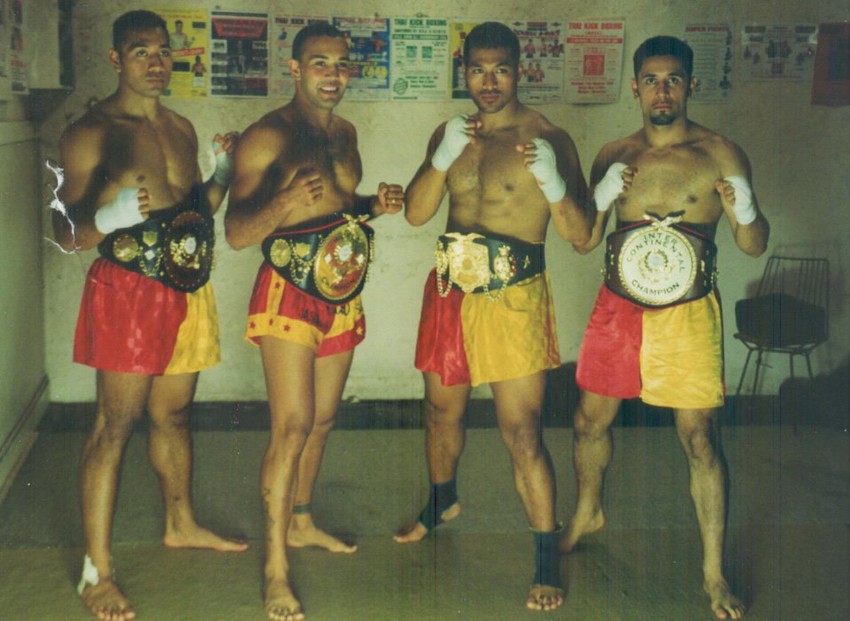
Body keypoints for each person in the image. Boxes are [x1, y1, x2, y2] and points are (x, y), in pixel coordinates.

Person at [50, 9, 248, 621]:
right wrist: (105, 222)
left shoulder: (183, 128)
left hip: (187, 289)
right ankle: (96, 572)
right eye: (142, 51)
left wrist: (220, 176)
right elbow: (60, 231)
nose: (157, 62)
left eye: (164, 51)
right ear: (116, 59)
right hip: (128, 290)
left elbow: (194, 211)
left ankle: (180, 523)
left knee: (174, 414)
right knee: (114, 427)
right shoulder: (92, 133)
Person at [563, 36, 769, 621]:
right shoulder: (614, 153)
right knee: (587, 421)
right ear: (634, 86)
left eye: (673, 79)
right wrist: (601, 198)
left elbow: (754, 247)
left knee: (700, 439)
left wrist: (744, 210)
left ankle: (713, 574)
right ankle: (587, 509)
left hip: (688, 312)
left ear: (690, 85)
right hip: (618, 307)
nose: (662, 90)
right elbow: (582, 240)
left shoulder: (720, 153)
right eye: (651, 80)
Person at [394, 21, 590, 613]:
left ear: (520, 69)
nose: (489, 81)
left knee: (522, 432)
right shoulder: (450, 132)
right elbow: (416, 213)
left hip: (514, 296)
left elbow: (581, 236)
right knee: (439, 411)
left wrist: (554, 182)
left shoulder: (549, 136)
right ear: (464, 70)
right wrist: (442, 156)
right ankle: (441, 500)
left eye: (500, 69)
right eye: (477, 69)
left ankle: (544, 559)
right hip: (450, 289)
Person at [224, 22, 404, 621]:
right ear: (295, 68)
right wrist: (283, 202)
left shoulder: (345, 133)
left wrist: (373, 207)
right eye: (320, 63)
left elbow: (336, 206)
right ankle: (276, 568)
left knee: (324, 419)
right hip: (287, 291)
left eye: (342, 64)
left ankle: (300, 522)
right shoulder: (269, 136)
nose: (333, 74)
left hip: (341, 289)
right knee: (293, 425)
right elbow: (237, 232)